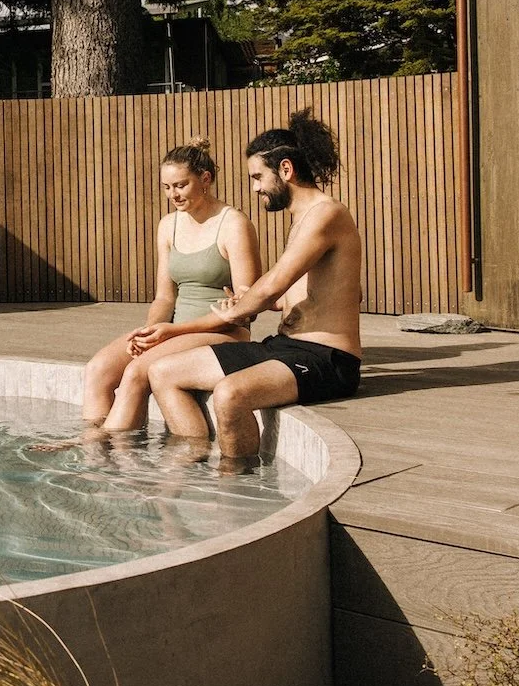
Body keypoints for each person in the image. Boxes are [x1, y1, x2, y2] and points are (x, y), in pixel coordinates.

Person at [141, 108, 363, 464]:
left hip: (327, 359)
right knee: (162, 372)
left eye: (258, 177)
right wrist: (253, 299)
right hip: (285, 347)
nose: (256, 187)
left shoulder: (326, 214)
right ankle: (191, 464)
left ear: (285, 170)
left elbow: (272, 286)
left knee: (229, 394)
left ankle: (235, 487)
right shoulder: (304, 218)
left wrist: (240, 308)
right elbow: (289, 295)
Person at [76, 139, 261, 433]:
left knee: (139, 370)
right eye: (166, 187)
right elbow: (164, 297)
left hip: (223, 332)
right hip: (172, 330)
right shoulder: (168, 226)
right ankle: (95, 440)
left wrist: (169, 334)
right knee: (98, 368)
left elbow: (246, 307)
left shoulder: (233, 224)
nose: (173, 194)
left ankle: (104, 445)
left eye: (180, 185)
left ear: (206, 180)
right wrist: (151, 332)